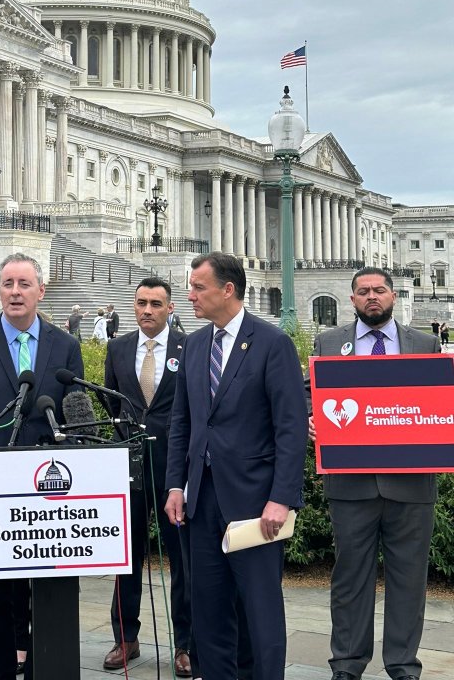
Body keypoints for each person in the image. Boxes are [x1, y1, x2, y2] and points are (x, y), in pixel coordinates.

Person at [165, 252, 308, 680]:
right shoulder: (192, 344)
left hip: (255, 505)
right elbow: (181, 423)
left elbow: (291, 427)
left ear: (228, 290)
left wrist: (281, 498)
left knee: (260, 614)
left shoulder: (271, 342)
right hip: (201, 503)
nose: (190, 296)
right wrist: (175, 485)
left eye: (198, 287)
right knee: (207, 612)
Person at [0, 253, 84, 680]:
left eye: (24, 284)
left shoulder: (66, 346)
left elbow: (77, 417)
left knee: (49, 593)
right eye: (8, 283)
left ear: (41, 291)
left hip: (52, 496)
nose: (15, 292)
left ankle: (42, 669)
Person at [307, 268, 440, 680]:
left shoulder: (426, 343)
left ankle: (403, 666)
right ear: (352, 300)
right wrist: (313, 421)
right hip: (350, 484)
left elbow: (437, 401)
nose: (372, 297)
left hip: (412, 484)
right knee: (350, 578)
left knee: (409, 580)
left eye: (379, 290)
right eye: (363, 292)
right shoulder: (329, 343)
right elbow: (309, 397)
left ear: (393, 295)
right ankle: (347, 664)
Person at [102, 278, 192, 676]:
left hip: (176, 470)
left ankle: (186, 644)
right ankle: (126, 637)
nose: (147, 310)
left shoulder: (189, 348)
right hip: (130, 467)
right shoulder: (118, 348)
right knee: (127, 558)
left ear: (170, 308)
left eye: (156, 303)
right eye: (141, 303)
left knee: (183, 559)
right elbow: (109, 398)